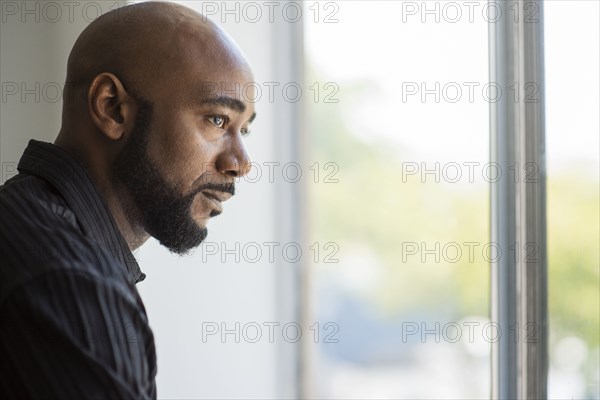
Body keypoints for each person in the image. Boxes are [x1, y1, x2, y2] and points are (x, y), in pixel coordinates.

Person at [0, 2, 256, 398]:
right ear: (112, 108)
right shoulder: (70, 281)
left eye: (244, 131)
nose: (240, 163)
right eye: (218, 119)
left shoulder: (27, 225)